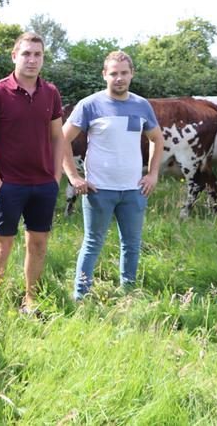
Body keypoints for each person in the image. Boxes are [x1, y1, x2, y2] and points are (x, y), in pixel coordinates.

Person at [0, 32, 65, 314]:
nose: (32, 60)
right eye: (26, 54)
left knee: (38, 245)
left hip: (43, 184)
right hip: (9, 185)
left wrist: (56, 177)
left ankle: (31, 300)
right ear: (14, 56)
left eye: (38, 55)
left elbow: (58, 137)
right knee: (2, 246)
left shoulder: (50, 93)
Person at [62, 51, 163, 300]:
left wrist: (152, 174)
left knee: (131, 245)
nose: (119, 78)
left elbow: (157, 139)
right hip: (98, 190)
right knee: (92, 244)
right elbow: (62, 139)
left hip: (134, 191)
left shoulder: (141, 106)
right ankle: (81, 296)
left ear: (132, 74)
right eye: (114, 73)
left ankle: (128, 295)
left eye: (124, 73)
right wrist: (74, 178)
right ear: (104, 75)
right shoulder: (90, 105)